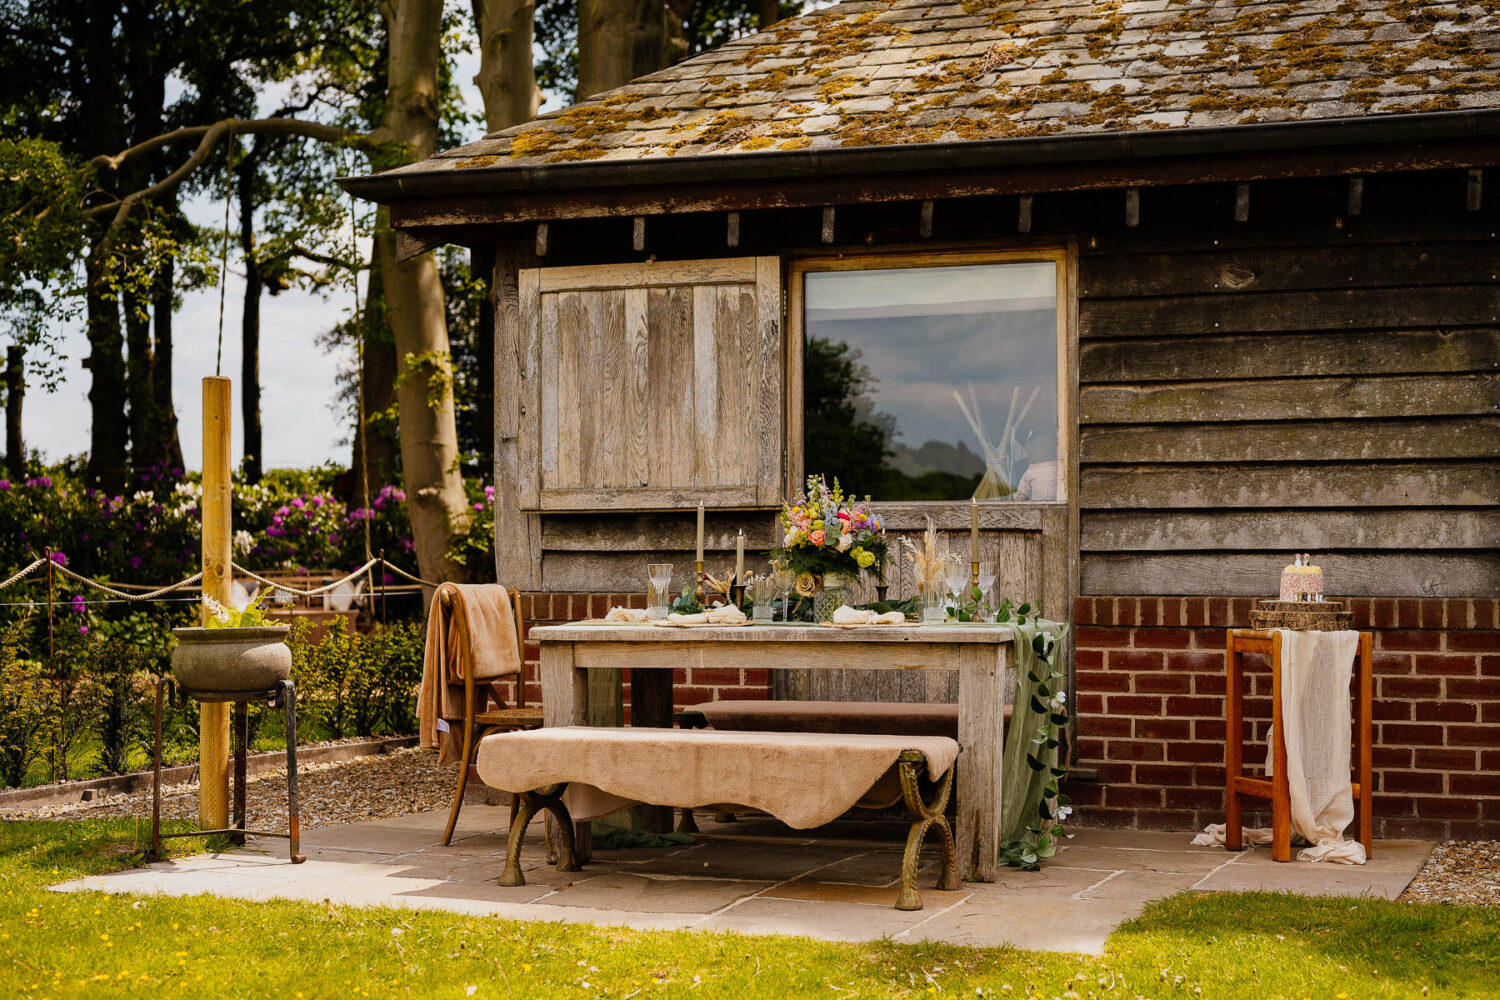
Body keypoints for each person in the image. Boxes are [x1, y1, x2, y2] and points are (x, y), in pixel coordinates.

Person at [1012, 431, 1058, 501]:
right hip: (1058, 504)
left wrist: (1014, 497)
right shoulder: (1058, 467)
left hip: (1037, 507)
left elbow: (1021, 494)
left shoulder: (1030, 472)